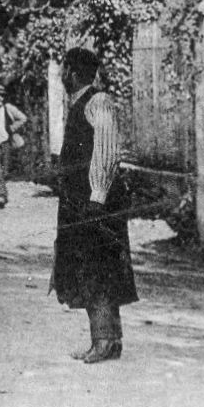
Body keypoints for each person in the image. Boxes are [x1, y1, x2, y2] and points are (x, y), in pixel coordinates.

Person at [51, 47, 136, 364]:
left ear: (72, 72)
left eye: (64, 70)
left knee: (97, 268)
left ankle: (104, 341)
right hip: (81, 202)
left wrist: (97, 195)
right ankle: (108, 340)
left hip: (95, 202)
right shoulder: (79, 104)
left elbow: (107, 149)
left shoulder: (98, 101)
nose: (61, 76)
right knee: (92, 266)